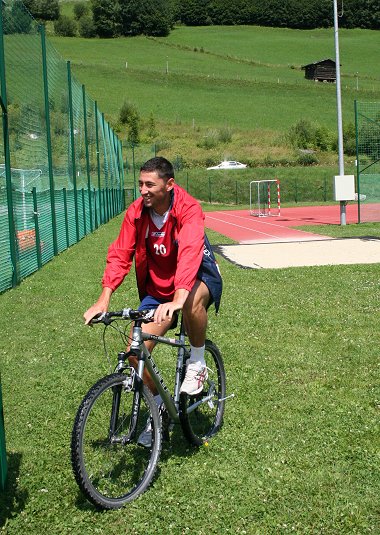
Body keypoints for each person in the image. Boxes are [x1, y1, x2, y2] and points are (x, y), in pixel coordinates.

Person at [84, 156, 222, 444]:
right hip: (158, 290)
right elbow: (120, 253)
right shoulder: (136, 212)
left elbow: (189, 252)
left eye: (150, 184)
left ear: (169, 185)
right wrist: (104, 298)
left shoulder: (189, 209)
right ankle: (158, 404)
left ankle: (197, 363)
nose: (143, 190)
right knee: (135, 353)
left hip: (198, 276)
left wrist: (178, 297)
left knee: (190, 303)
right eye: (140, 184)